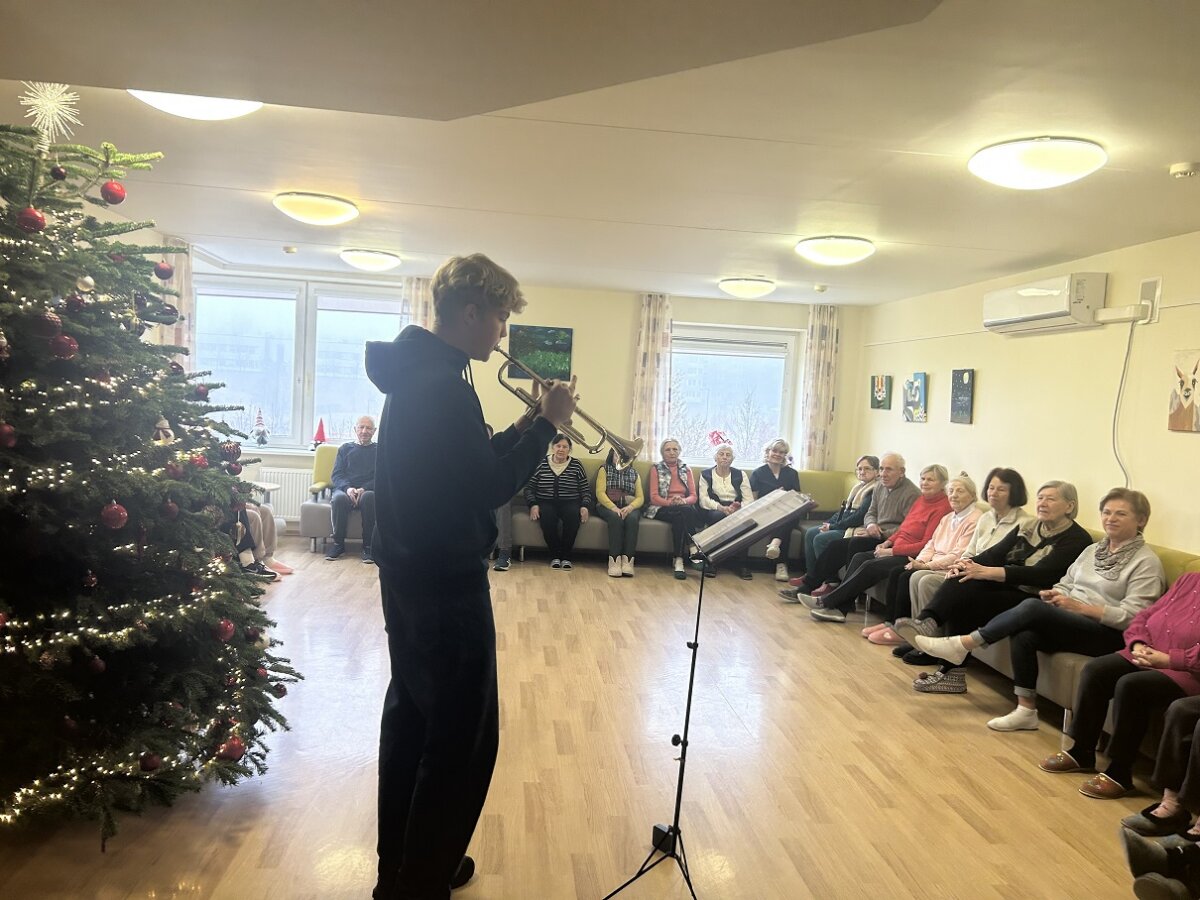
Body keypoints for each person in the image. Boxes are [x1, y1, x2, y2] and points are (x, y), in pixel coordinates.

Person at [365, 253, 576, 900]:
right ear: (470, 311)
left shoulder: (423, 371)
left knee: (413, 721)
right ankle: (421, 881)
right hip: (445, 582)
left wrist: (526, 424)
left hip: (410, 572)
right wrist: (548, 425)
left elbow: (466, 465)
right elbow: (487, 487)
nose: (503, 333)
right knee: (461, 739)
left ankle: (404, 869)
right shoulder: (443, 385)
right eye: (500, 318)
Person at [915, 489, 1164, 727]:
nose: (1110, 518)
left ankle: (964, 644)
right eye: (1106, 512)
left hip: (1107, 632)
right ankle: (1026, 710)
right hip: (1070, 617)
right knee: (1025, 633)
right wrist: (1057, 594)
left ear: (1141, 520)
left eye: (1121, 513)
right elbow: (1066, 582)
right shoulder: (1093, 550)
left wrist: (1079, 608)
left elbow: (1134, 617)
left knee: (1032, 607)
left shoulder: (1146, 562)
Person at [894, 480, 1093, 694]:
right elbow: (994, 554)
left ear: (1070, 506)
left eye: (1050, 499)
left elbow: (1041, 574)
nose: (1042, 503)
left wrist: (988, 572)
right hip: (1009, 588)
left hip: (1035, 599)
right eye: (1040, 498)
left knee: (969, 594)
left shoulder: (1077, 539)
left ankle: (949, 671)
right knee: (963, 578)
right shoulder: (1028, 526)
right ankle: (928, 623)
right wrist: (965, 565)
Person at [1034, 566, 1196, 802]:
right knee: (1096, 670)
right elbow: (1144, 616)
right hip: (1148, 653)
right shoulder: (1189, 580)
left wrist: (1171, 659)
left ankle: (1120, 771)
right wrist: (1138, 643)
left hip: (1186, 670)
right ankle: (1082, 751)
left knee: (1132, 685)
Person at [806, 465, 956, 624]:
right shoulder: (921, 500)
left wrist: (892, 551)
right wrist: (887, 542)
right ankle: (842, 608)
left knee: (870, 566)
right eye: (923, 478)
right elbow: (904, 528)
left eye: (930, 480)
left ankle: (827, 602)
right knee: (859, 557)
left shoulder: (943, 507)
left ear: (943, 484)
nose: (924, 483)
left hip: (913, 555)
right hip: (896, 546)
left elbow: (926, 544)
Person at [859, 471, 983, 640]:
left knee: (909, 576)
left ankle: (908, 630)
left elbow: (958, 554)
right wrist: (918, 561)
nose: (954, 495)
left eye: (960, 491)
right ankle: (893, 623)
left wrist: (926, 566)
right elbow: (931, 543)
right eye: (951, 491)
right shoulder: (948, 517)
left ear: (973, 495)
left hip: (948, 566)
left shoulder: (975, 519)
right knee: (899, 572)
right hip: (931, 562)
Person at [782, 451, 919, 599]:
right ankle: (808, 587)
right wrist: (871, 525)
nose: (883, 474)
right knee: (835, 546)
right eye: (881, 468)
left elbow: (907, 528)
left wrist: (882, 533)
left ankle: (839, 595)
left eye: (889, 469)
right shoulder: (880, 486)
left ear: (902, 472)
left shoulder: (911, 494)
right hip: (873, 533)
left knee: (853, 544)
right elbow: (871, 512)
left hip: (890, 540)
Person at [796, 455, 879, 586]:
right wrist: (829, 523)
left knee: (821, 539)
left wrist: (833, 527)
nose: (862, 472)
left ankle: (830, 581)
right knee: (811, 533)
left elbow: (859, 516)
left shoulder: (874, 490)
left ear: (877, 471)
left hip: (858, 528)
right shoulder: (859, 487)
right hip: (845, 525)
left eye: (867, 468)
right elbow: (844, 511)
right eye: (859, 469)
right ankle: (811, 574)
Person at [524, 434, 592, 570]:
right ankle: (555, 555)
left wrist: (585, 506)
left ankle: (566, 556)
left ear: (569, 449)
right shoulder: (541, 463)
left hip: (570, 502)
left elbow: (585, 490)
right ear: (552, 447)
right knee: (547, 518)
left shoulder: (576, 465)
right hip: (546, 501)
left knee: (572, 517)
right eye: (558, 446)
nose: (561, 449)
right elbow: (529, 489)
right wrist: (533, 504)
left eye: (565, 447)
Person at [645, 437, 702, 580]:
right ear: (662, 453)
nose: (672, 452)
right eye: (668, 450)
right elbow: (654, 497)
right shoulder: (656, 468)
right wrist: (671, 502)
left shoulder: (686, 469)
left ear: (679, 451)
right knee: (686, 511)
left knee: (681, 516)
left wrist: (683, 501)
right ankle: (693, 547)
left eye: (675, 449)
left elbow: (693, 496)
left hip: (682, 507)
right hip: (660, 507)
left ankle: (679, 560)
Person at [697, 443, 755, 580]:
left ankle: (742, 564)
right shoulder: (705, 474)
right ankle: (712, 562)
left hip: (737, 508)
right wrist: (721, 508)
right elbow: (703, 500)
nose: (724, 457)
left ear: (732, 459)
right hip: (714, 508)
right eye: (721, 454)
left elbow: (749, 499)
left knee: (746, 520)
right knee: (717, 517)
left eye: (728, 455)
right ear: (715, 458)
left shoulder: (741, 474)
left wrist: (738, 508)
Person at [327, 416, 378, 563]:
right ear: (355, 429)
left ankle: (368, 547)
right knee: (338, 499)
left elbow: (381, 476)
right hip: (345, 489)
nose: (364, 431)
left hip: (368, 490)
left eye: (368, 428)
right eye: (361, 427)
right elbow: (337, 475)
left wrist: (364, 488)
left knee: (369, 498)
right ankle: (338, 544)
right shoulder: (345, 449)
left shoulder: (379, 450)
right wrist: (348, 488)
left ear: (374, 431)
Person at [750, 438, 802, 582]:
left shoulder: (792, 473)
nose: (778, 454)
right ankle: (781, 564)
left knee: (787, 517)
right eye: (775, 451)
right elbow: (753, 500)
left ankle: (775, 544)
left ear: (785, 455)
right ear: (768, 452)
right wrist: (773, 497)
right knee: (781, 520)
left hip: (788, 511)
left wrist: (785, 496)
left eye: (782, 452)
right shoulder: (758, 473)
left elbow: (797, 497)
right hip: (766, 512)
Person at [594, 446, 643, 577]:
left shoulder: (634, 473)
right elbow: (600, 493)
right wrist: (613, 508)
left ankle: (628, 561)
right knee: (615, 518)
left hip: (629, 507)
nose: (620, 459)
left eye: (624, 457)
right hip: (607, 506)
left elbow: (640, 497)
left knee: (632, 519)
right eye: (617, 455)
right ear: (612, 456)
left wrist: (630, 507)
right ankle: (614, 560)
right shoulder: (604, 469)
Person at [484, 425, 515, 572]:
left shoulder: (501, 454)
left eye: (487, 436)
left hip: (498, 492)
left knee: (503, 503)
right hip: (477, 493)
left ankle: (504, 553)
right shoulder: (468, 453)